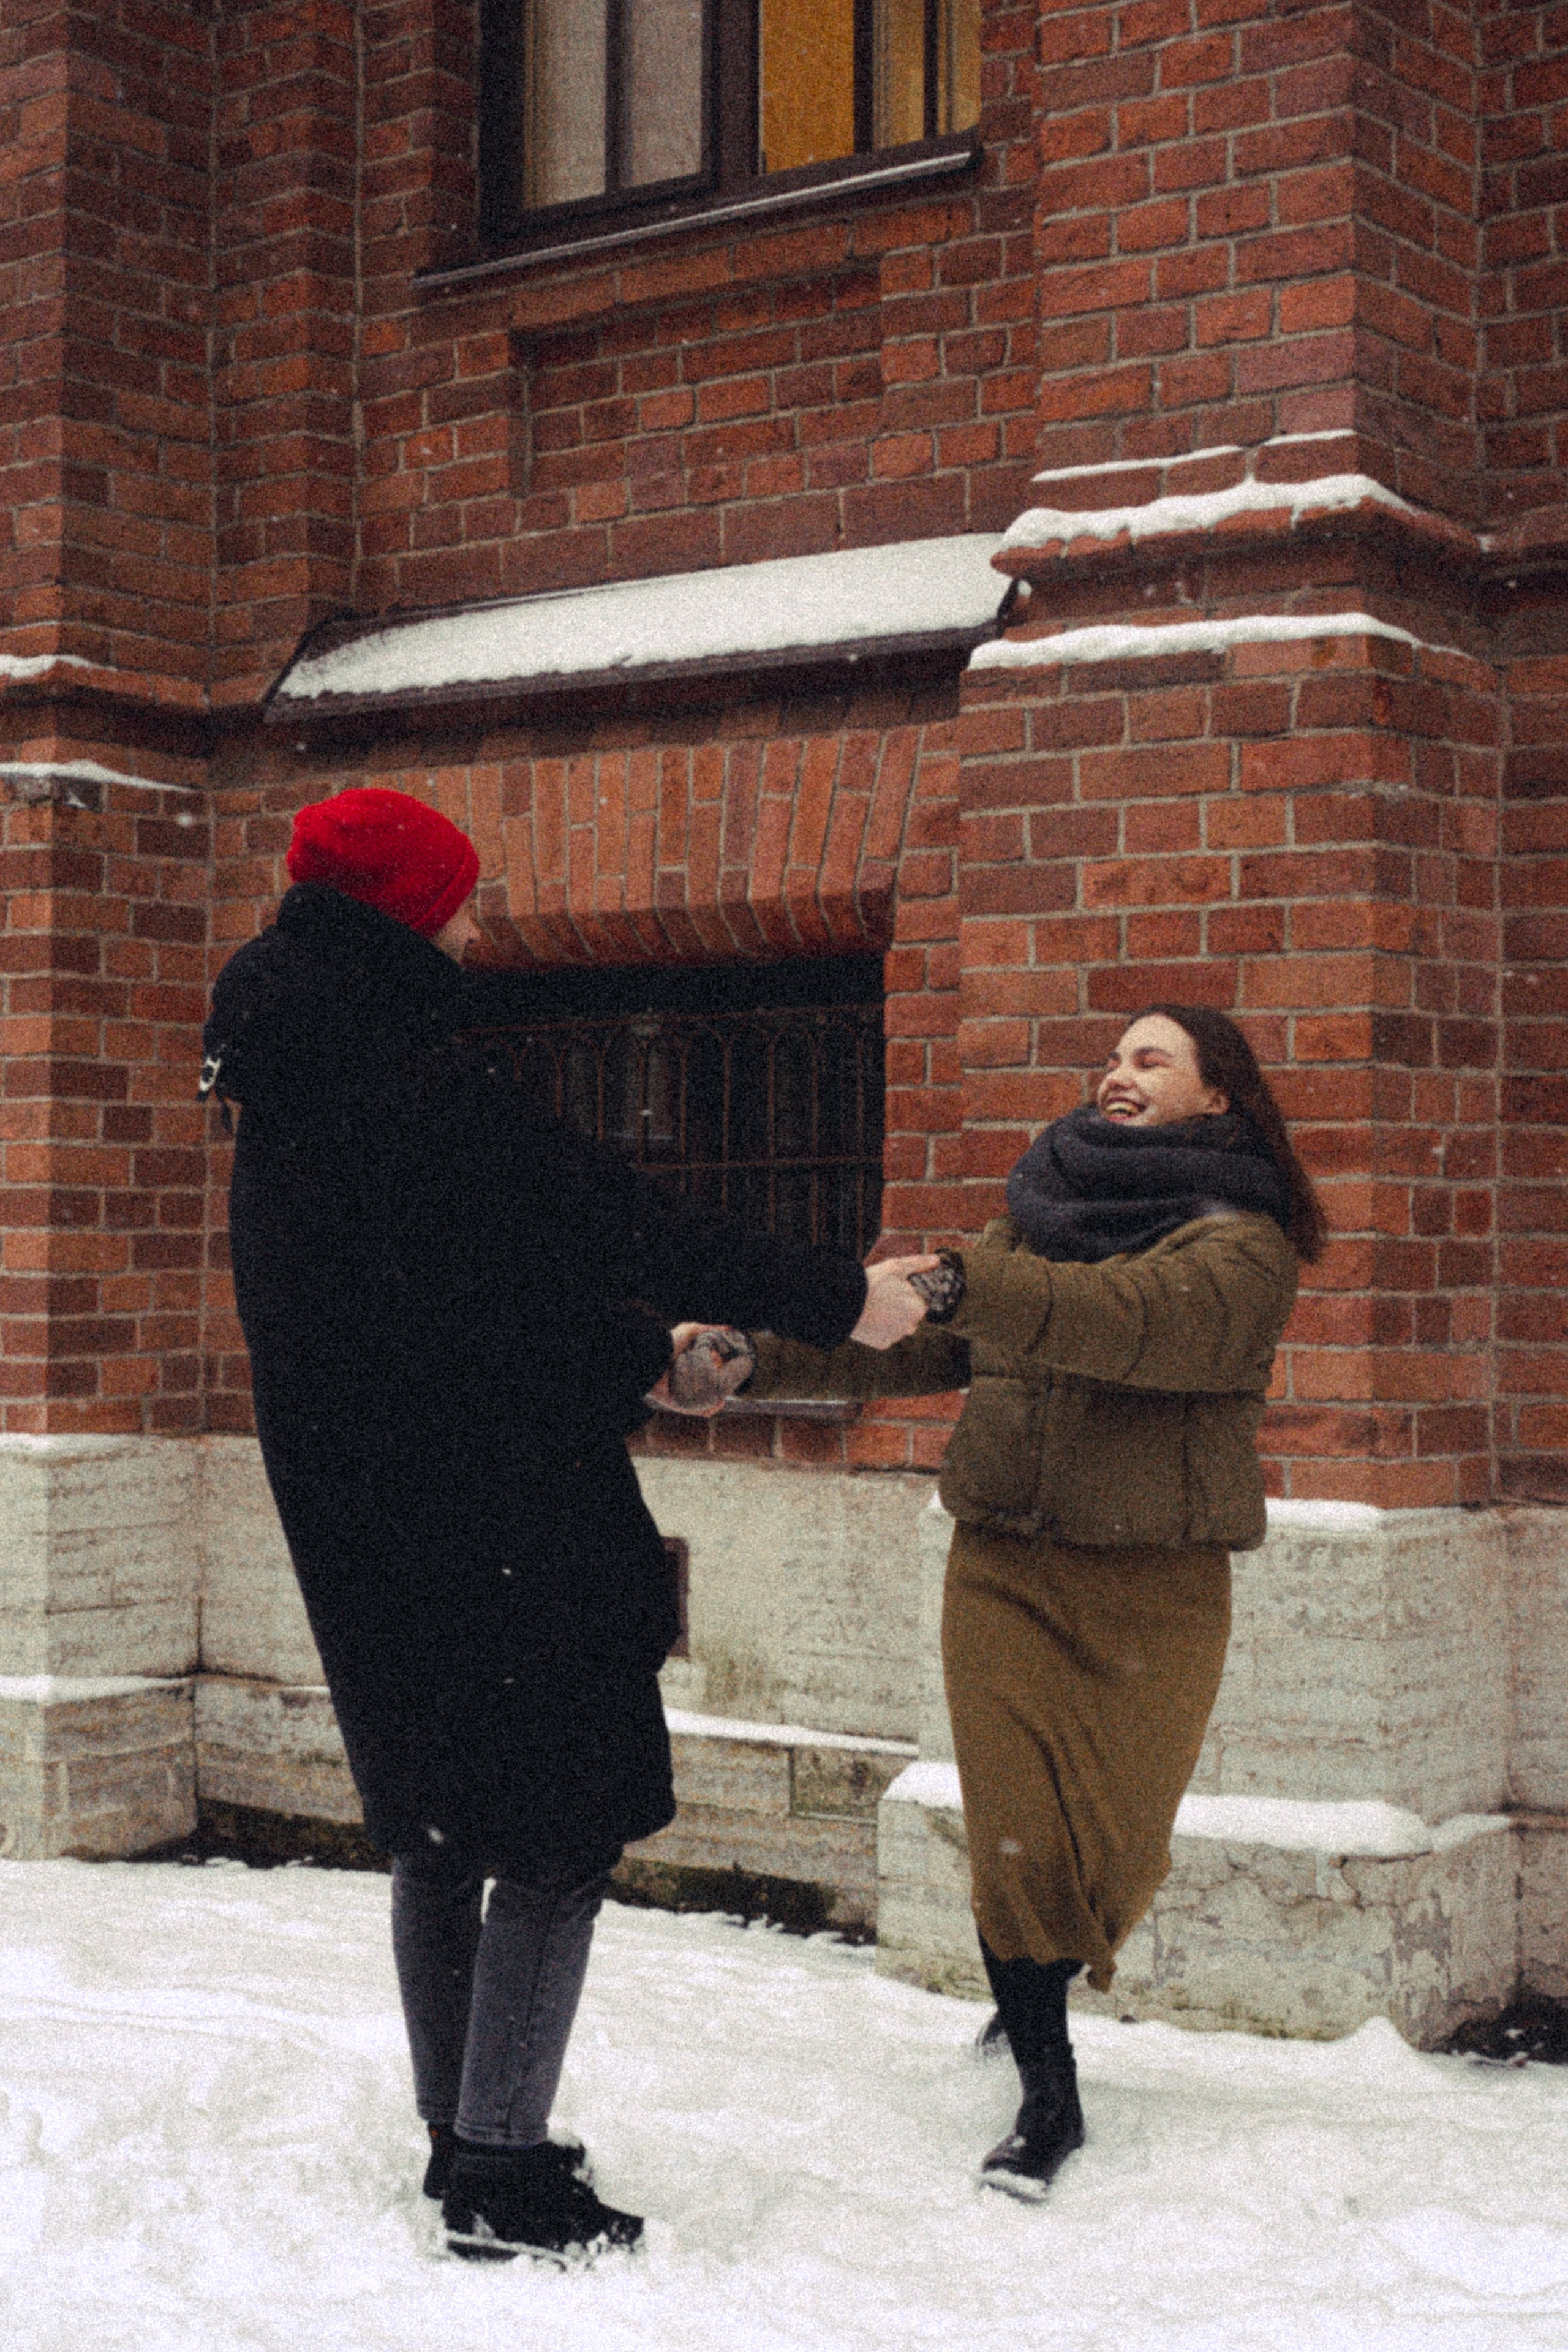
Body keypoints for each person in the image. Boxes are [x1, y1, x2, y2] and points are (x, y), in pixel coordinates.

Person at [199, 786, 932, 2264]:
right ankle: (504, 2176)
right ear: (403, 916)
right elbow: (616, 1214)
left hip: (376, 1516)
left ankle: (461, 2126)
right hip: (497, 1529)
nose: (478, 928)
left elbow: (459, 1304)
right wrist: (844, 1300)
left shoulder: (302, 1086)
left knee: (437, 1826)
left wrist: (642, 1359)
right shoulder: (416, 1084)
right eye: (458, 903)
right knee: (552, 1836)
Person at [681, 1006, 1322, 2197]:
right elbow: (914, 1344)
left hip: (1151, 1581)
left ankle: (1037, 1977)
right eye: (1112, 1056)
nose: (1115, 1074)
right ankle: (1045, 2087)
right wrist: (757, 1357)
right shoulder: (1039, 1216)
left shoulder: (1241, 1248)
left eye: (1150, 1060)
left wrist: (971, 1281)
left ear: (1215, 1099)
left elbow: (1129, 1329)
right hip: (1002, 1565)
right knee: (1014, 1824)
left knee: (1112, 1849)